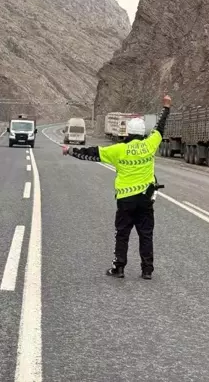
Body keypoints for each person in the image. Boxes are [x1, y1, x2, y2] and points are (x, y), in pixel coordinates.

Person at [63, 95, 172, 280]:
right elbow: (160, 127)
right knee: (146, 234)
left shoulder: (118, 150)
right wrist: (166, 107)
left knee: (122, 234)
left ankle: (119, 268)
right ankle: (147, 270)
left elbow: (92, 153)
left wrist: (70, 150)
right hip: (146, 199)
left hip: (125, 200)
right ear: (143, 133)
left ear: (126, 133)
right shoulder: (150, 145)